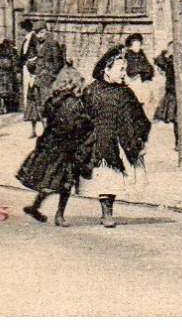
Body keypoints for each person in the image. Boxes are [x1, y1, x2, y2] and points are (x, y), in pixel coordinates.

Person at [82, 45, 152, 229]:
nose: (124, 74)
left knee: (118, 177)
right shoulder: (91, 91)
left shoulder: (125, 93)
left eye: (125, 70)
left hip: (122, 139)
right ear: (107, 69)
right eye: (120, 70)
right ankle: (107, 213)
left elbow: (138, 117)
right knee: (107, 175)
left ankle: (107, 211)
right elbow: (82, 117)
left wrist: (137, 138)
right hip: (101, 140)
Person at [16, 65, 91, 226]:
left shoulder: (53, 99)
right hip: (66, 146)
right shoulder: (73, 102)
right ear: (73, 83)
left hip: (50, 143)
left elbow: (48, 117)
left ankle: (35, 206)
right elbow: (76, 124)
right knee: (66, 182)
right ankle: (59, 215)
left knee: (49, 179)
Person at [24, 26, 66, 138]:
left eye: (41, 33)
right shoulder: (37, 44)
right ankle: (45, 132)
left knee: (48, 106)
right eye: (37, 33)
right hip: (38, 80)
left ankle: (51, 132)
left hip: (47, 82)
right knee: (40, 107)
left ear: (46, 32)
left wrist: (50, 76)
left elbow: (59, 63)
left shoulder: (52, 44)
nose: (39, 36)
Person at [153, 47, 182, 130]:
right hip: (173, 93)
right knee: (176, 119)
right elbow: (159, 61)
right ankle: (177, 140)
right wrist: (164, 51)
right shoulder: (170, 61)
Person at [123, 32, 156, 113]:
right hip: (134, 82)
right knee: (134, 101)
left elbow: (149, 68)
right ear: (131, 46)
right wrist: (142, 71)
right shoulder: (130, 56)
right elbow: (132, 70)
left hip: (143, 82)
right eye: (136, 45)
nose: (138, 47)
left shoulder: (141, 55)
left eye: (139, 45)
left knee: (143, 102)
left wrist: (146, 72)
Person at [0, 39, 22, 115]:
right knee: (1, 94)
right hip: (2, 77)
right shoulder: (5, 58)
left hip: (3, 77)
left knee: (2, 94)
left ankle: (3, 108)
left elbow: (6, 65)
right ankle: (2, 108)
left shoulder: (3, 59)